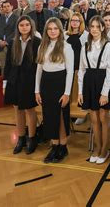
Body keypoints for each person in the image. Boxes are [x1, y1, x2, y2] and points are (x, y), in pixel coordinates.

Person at [78, 16, 110, 164]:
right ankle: (97, 147)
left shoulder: (107, 46)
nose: (94, 29)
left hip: (102, 82)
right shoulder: (85, 46)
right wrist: (80, 91)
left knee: (103, 118)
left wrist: (105, 92)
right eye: (92, 26)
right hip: (89, 81)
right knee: (93, 119)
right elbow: (81, 70)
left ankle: (105, 150)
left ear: (102, 28)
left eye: (97, 26)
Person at [35, 17, 74, 163]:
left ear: (60, 30)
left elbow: (70, 72)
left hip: (60, 82)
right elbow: (39, 69)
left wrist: (67, 93)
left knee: (60, 117)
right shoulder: (42, 46)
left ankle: (63, 146)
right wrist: (36, 90)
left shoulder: (66, 46)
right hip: (46, 83)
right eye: (50, 29)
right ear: (46, 31)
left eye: (55, 29)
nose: (52, 31)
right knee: (49, 116)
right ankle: (54, 145)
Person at [3, 16, 41, 155]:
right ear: (18, 27)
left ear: (31, 26)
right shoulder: (13, 42)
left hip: (29, 81)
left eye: (26, 25)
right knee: (17, 110)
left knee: (29, 110)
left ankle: (32, 138)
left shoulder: (37, 42)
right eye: (21, 25)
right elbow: (7, 64)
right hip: (14, 80)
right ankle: (21, 138)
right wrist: (5, 83)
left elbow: (39, 66)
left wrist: (38, 86)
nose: (24, 27)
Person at [0, 0, 17, 75]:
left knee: (13, 66)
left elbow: (16, 31)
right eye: (4, 7)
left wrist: (6, 41)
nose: (6, 8)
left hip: (11, 45)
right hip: (0, 46)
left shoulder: (17, 18)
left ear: (12, 7)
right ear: (2, 8)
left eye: (8, 6)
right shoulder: (0, 18)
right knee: (3, 67)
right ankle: (4, 84)